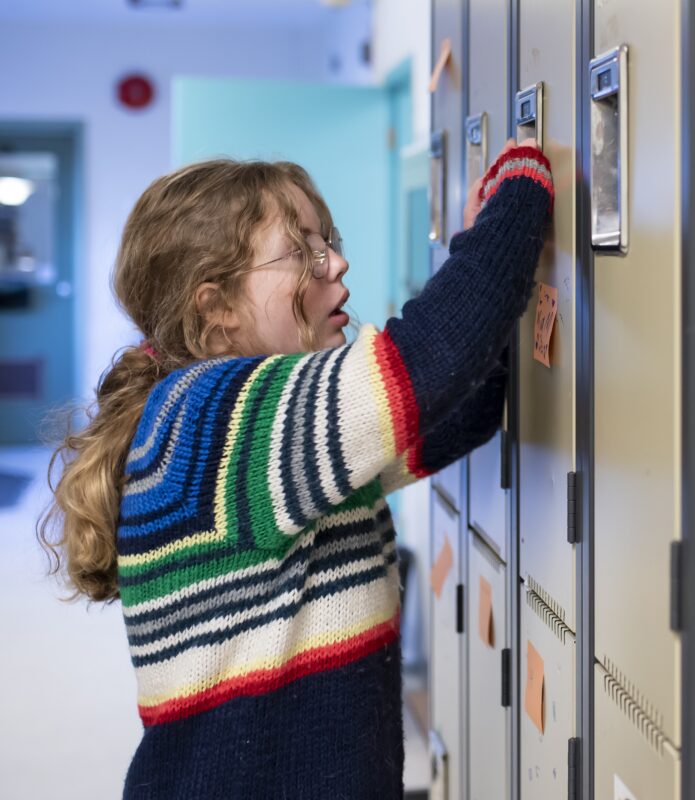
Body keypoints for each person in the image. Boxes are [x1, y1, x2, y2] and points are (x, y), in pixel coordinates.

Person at [38, 137, 553, 798]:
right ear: (216, 307)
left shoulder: (260, 429)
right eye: (303, 252)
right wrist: (520, 188)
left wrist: (511, 273)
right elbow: (431, 359)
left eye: (327, 240)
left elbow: (460, 409)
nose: (336, 262)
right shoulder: (215, 422)